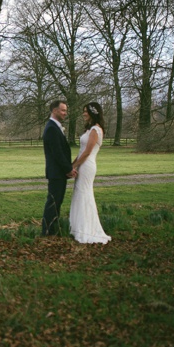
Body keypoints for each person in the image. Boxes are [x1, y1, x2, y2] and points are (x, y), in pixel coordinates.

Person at [69, 102, 111, 244]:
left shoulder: (95, 130)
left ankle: (87, 229)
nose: (84, 113)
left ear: (93, 113)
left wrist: (74, 165)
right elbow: (82, 151)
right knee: (79, 193)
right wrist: (72, 165)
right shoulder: (90, 129)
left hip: (87, 165)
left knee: (84, 193)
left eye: (86, 111)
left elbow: (87, 152)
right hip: (83, 163)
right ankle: (78, 227)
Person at [42, 100, 76, 236]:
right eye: (63, 110)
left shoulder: (55, 127)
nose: (65, 113)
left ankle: (53, 231)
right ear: (54, 110)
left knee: (57, 203)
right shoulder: (51, 128)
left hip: (58, 173)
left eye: (65, 110)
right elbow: (57, 153)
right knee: (53, 203)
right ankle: (47, 232)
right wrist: (68, 169)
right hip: (56, 173)